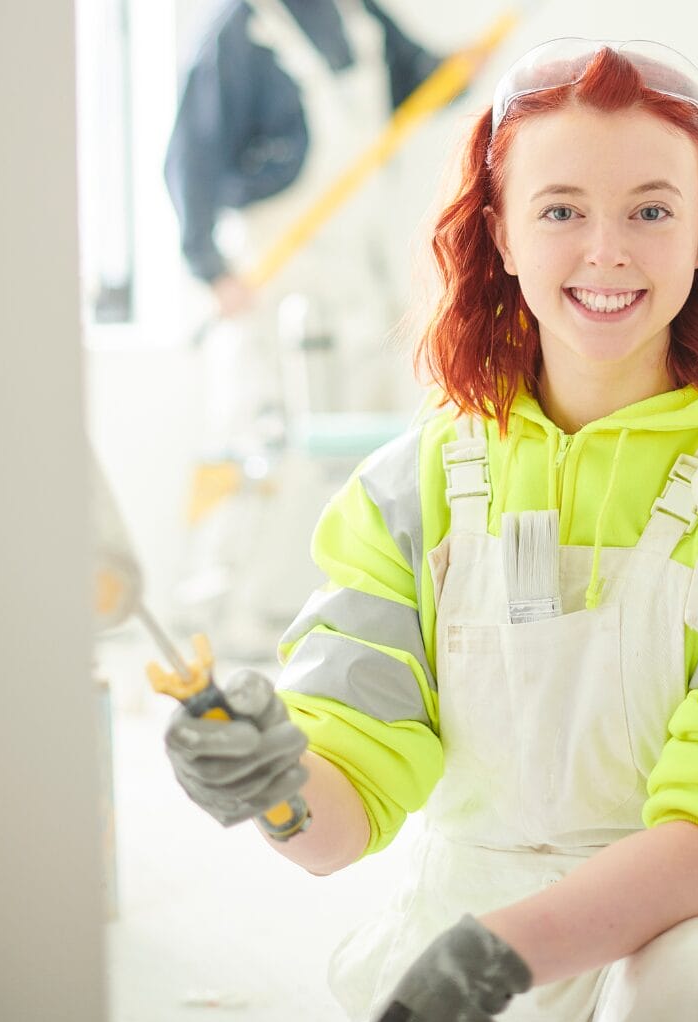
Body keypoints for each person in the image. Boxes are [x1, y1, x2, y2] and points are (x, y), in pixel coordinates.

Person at [164, 37, 698, 1022]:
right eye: (560, 210)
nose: (607, 252)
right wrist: (272, 780)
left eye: (651, 210)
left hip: (688, 927)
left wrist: (492, 960)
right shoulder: (407, 490)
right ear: (499, 233)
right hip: (464, 941)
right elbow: (336, 824)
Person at [164, 0, 440, 652]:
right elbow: (190, 155)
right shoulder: (243, 30)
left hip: (355, 272)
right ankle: (215, 611)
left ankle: (354, 615)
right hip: (269, 272)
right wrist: (211, 266)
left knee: (368, 453)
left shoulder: (361, 18)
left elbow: (421, 80)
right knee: (255, 440)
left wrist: (460, 68)